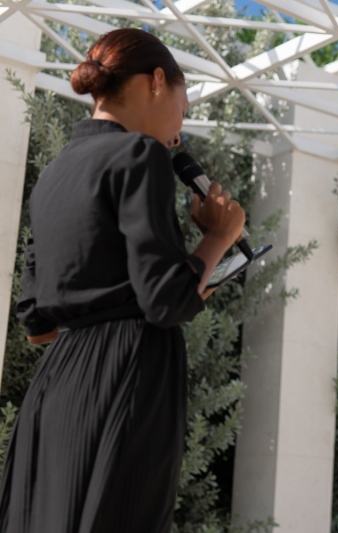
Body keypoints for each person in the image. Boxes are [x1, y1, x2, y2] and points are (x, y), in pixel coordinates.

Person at [0, 29, 245, 533]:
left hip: (59, 384)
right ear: (157, 81)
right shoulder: (140, 156)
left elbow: (38, 323)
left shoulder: (53, 174)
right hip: (127, 374)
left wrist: (184, 282)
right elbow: (164, 303)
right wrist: (218, 238)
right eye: (184, 102)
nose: (180, 125)